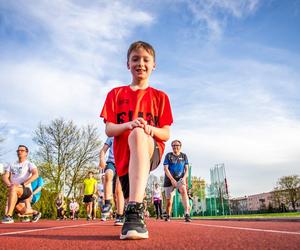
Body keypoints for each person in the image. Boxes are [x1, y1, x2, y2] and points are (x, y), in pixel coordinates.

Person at [100, 41, 173, 239]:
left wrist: (149, 129)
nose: (140, 63)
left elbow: (166, 133)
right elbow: (109, 129)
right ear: (128, 64)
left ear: (154, 65)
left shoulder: (161, 97)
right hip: (124, 160)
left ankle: (134, 210)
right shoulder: (115, 94)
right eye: (135, 59)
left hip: (150, 150)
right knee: (125, 193)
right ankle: (132, 209)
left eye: (146, 59)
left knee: (140, 134)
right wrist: (129, 124)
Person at [2, 145, 41, 223]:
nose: (19, 152)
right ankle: (35, 213)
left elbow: (35, 174)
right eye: (18, 151)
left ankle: (9, 216)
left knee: (13, 188)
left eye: (22, 150)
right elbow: (5, 176)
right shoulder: (12, 164)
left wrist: (23, 184)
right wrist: (9, 184)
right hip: (14, 190)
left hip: (26, 190)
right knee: (22, 211)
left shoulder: (29, 164)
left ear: (26, 153)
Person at [163, 140, 191, 222]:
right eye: (173, 145)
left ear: (180, 146)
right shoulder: (168, 155)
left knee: (184, 191)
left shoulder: (184, 156)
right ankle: (168, 215)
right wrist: (172, 179)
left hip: (180, 179)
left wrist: (183, 178)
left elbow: (186, 170)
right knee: (169, 202)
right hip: (169, 180)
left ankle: (187, 214)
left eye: (177, 145)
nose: (175, 147)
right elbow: (165, 168)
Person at [99, 137, 125, 225]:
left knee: (118, 190)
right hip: (111, 162)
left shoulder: (128, 133)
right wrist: (102, 159)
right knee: (108, 174)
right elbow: (103, 150)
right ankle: (107, 203)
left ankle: (120, 215)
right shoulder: (111, 136)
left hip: (122, 163)